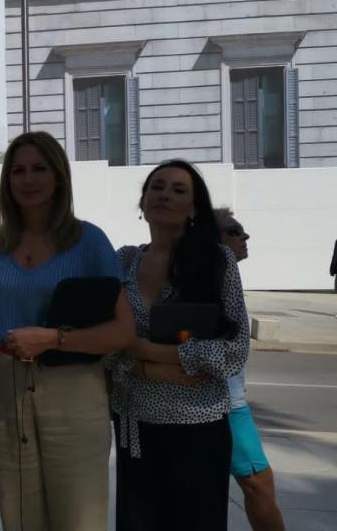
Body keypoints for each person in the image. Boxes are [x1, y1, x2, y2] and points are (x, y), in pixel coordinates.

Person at [0, 131, 135, 531]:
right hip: (4, 385)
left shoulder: (88, 241)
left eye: (39, 169)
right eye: (18, 171)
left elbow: (124, 330)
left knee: (78, 514)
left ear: (59, 176)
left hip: (73, 385)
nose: (28, 179)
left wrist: (55, 339)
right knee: (20, 514)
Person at [109, 160, 250, 531]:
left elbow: (235, 351)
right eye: (156, 187)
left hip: (199, 428)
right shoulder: (123, 261)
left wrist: (145, 351)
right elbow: (107, 346)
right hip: (135, 426)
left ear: (194, 208)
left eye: (178, 190)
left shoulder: (216, 261)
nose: (164, 195)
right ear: (142, 201)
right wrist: (149, 367)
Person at [216, 208, 286, 531]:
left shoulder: (225, 277)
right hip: (224, 403)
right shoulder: (209, 278)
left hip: (230, 400)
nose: (245, 236)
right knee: (258, 482)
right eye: (235, 230)